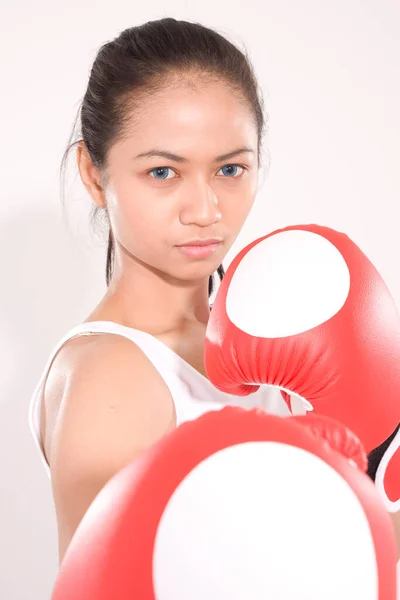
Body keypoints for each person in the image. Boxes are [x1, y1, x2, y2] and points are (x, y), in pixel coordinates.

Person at [28, 17, 291, 566]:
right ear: (94, 174)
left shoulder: (272, 344)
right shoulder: (112, 373)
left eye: (230, 169)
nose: (206, 211)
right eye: (164, 173)